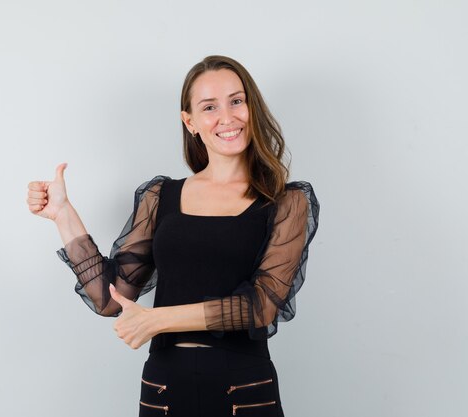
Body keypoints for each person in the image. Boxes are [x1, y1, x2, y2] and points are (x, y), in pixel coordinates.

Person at [26, 55, 320, 417]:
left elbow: (261, 307)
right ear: (190, 121)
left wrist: (159, 320)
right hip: (164, 387)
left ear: (252, 108)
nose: (227, 117)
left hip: (244, 388)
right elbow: (111, 299)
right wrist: (63, 214)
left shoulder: (286, 201)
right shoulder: (160, 196)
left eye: (237, 101)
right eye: (209, 107)